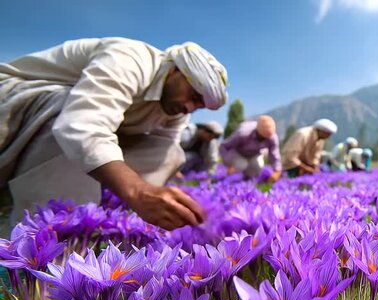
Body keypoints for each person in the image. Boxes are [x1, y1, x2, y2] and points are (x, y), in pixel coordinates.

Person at [0, 37, 228, 230]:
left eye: (199, 106)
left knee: (170, 153)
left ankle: (120, 221)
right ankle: (39, 230)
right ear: (176, 70)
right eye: (193, 95)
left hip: (77, 126)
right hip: (17, 100)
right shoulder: (130, 59)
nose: (190, 108)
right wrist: (138, 192)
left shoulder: (176, 108)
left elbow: (161, 153)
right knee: (68, 109)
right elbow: (81, 125)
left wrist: (154, 198)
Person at [219, 115, 281, 181]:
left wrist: (277, 171)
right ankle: (230, 183)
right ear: (258, 131)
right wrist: (229, 163)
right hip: (239, 154)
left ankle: (248, 182)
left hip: (254, 154)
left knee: (258, 169)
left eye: (267, 138)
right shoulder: (243, 133)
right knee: (241, 166)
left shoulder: (272, 137)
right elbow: (224, 146)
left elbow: (274, 154)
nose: (265, 140)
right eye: (263, 138)